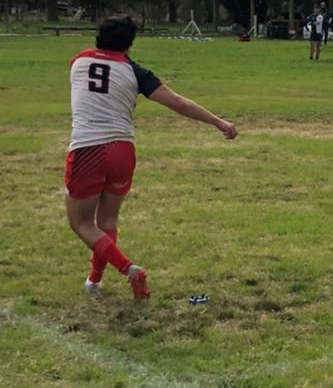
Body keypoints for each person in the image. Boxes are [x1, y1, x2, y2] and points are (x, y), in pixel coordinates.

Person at [65, 16, 237, 299]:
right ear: (130, 44)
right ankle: (93, 281)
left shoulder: (78, 61)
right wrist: (219, 122)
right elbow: (179, 104)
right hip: (122, 149)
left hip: (88, 148)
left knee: (81, 223)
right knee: (107, 221)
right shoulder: (135, 73)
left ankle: (129, 269)